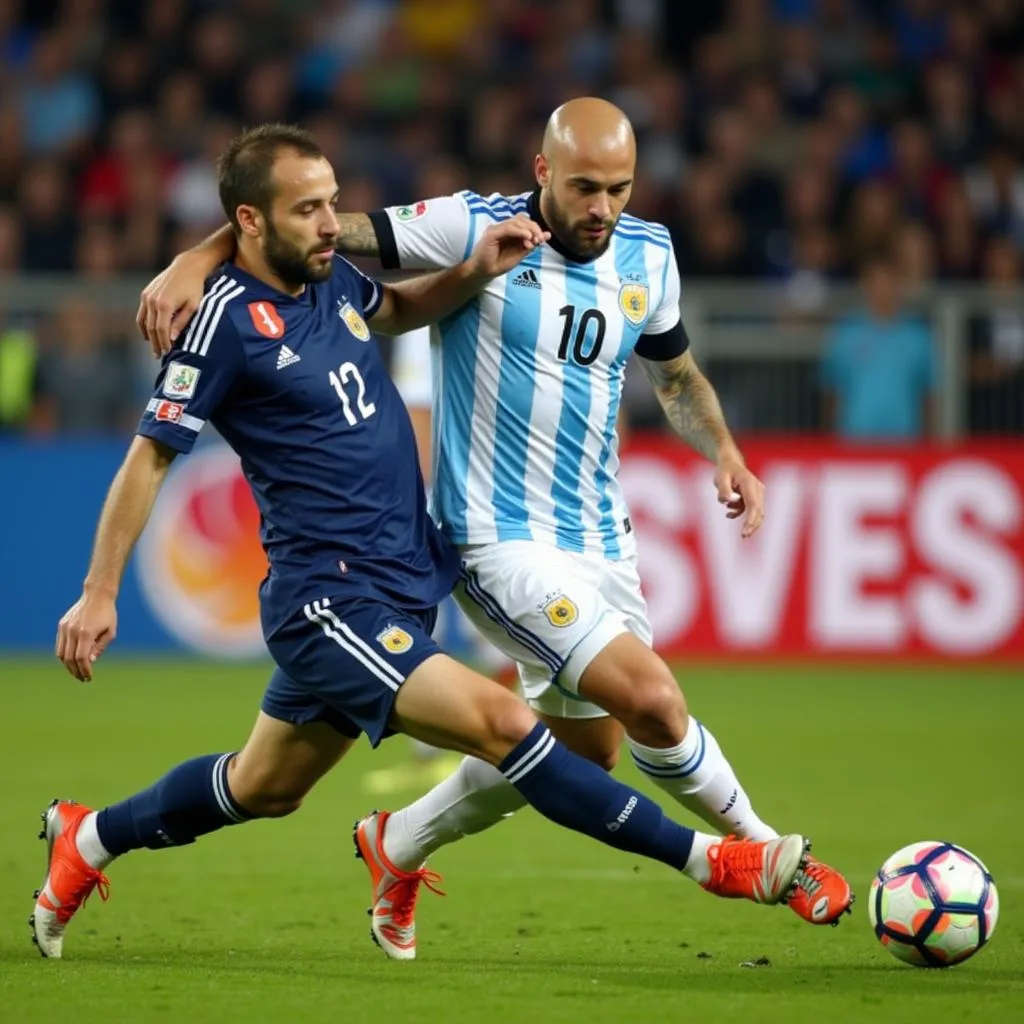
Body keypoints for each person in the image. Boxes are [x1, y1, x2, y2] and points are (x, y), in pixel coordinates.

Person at [35, 123, 811, 961]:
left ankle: (90, 837)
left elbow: (399, 307)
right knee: (507, 722)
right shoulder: (221, 320)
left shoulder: (328, 281)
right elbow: (149, 456)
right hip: (329, 598)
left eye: (334, 203)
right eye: (309, 209)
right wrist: (101, 589)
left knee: (264, 787)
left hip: (401, 577)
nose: (333, 223)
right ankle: (714, 862)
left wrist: (475, 271)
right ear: (251, 223)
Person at [821, 253, 937, 441]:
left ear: (899, 283)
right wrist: (830, 439)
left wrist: (929, 439)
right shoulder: (846, 331)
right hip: (854, 440)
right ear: (865, 284)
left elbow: (929, 394)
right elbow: (833, 391)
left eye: (888, 280)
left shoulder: (917, 334)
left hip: (905, 440)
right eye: (876, 281)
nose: (882, 288)